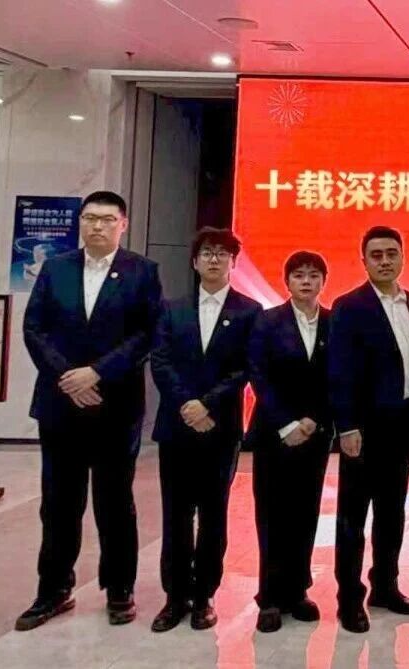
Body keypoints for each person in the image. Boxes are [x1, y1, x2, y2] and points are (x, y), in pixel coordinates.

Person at [16, 190, 163, 631]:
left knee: (114, 501)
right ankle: (53, 590)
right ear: (80, 223)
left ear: (123, 224)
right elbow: (34, 328)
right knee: (59, 503)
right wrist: (68, 377)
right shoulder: (56, 268)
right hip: (60, 403)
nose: (97, 226)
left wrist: (97, 373)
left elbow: (148, 334)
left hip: (115, 405)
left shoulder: (142, 271)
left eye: (107, 219)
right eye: (90, 218)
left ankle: (119, 589)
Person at [148, 228, 262, 632]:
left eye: (222, 254)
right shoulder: (171, 308)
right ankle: (174, 596)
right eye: (208, 253)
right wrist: (187, 404)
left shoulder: (249, 311)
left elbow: (247, 367)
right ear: (195, 261)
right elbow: (160, 361)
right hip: (176, 426)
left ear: (234, 262)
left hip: (220, 427)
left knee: (214, 515)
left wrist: (207, 404)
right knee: (176, 515)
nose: (215, 259)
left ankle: (204, 596)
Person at [328, 226, 409, 633]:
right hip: (363, 429)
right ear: (364, 261)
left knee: (391, 512)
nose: (385, 261)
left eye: (391, 253)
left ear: (402, 257)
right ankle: (349, 598)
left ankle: (385, 586)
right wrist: (346, 425)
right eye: (376, 255)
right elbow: (339, 371)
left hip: (401, 426)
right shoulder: (349, 306)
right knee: (353, 516)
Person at [248, 251, 334, 633]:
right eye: (299, 275)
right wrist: (286, 423)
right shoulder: (267, 321)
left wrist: (313, 420)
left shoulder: (333, 323)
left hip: (315, 435)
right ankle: (269, 597)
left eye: (314, 275)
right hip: (274, 434)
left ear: (323, 282)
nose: (306, 282)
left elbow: (336, 376)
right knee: (272, 513)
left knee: (305, 512)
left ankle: (298, 591)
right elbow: (258, 374)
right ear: (287, 282)